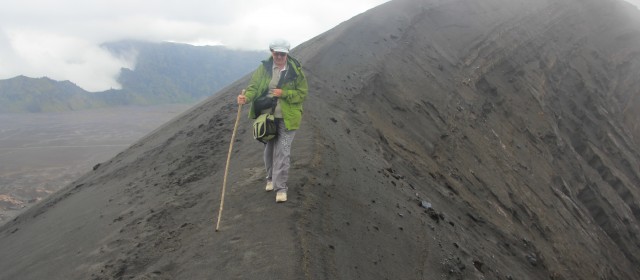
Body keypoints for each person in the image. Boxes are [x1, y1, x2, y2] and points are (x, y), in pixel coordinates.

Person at [237, 39, 308, 203]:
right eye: (277, 53)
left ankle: (281, 187)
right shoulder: (264, 68)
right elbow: (254, 87)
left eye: (283, 54)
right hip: (268, 117)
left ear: (287, 54)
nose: (280, 57)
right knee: (269, 148)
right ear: (272, 52)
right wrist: (245, 97)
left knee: (283, 150)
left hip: (288, 117)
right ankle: (270, 178)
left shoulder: (296, 72)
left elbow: (302, 94)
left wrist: (283, 93)